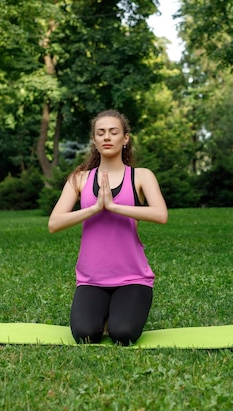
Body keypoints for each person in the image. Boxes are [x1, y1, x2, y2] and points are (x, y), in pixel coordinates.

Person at [48, 109, 168, 345]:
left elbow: (160, 214)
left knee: (122, 334)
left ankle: (116, 315)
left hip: (133, 278)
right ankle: (103, 315)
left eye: (114, 132)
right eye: (100, 133)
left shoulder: (141, 176)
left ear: (125, 139)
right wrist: (94, 209)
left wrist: (114, 207)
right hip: (92, 279)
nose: (107, 137)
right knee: (84, 335)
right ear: (94, 140)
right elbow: (54, 223)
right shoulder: (80, 179)